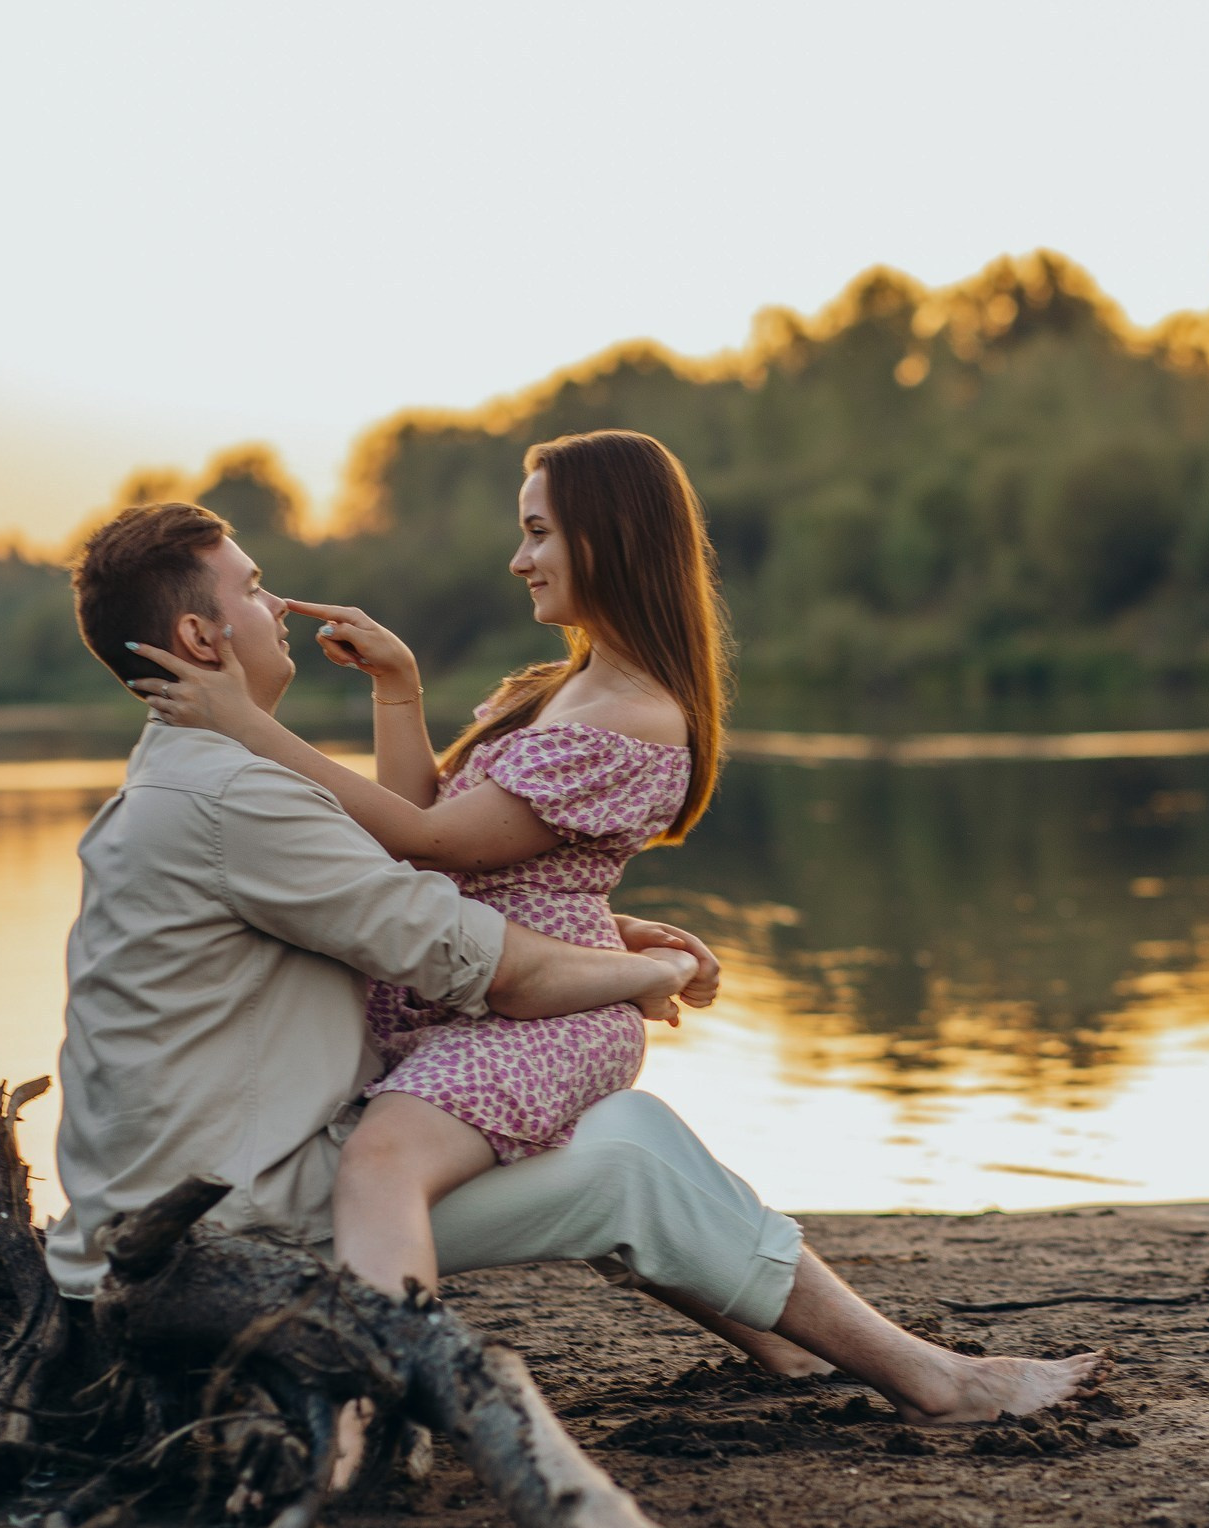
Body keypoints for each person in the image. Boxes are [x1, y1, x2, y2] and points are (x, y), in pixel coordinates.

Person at [63, 491, 1101, 1426]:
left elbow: (409, 896)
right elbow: (480, 949)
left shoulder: (199, 774)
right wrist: (644, 973)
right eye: (254, 589)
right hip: (234, 1214)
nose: (279, 603)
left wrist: (596, 928)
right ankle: (923, 1377)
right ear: (199, 636)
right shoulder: (239, 792)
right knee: (628, 1160)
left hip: (205, 1188)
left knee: (625, 1136)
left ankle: (811, 1347)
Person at [129, 431, 719, 1306]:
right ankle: (785, 1343)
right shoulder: (550, 691)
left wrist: (249, 726)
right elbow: (428, 829)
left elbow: (434, 844)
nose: (520, 559)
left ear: (614, 536)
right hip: (477, 989)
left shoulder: (635, 717)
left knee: (383, 1157)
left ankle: (394, 1361)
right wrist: (396, 686)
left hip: (544, 1006)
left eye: (539, 533)